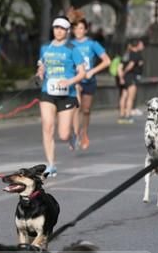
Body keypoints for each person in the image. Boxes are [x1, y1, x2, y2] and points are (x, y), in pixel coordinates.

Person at [37, 16, 86, 178]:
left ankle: (72, 136)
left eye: (61, 28)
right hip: (48, 92)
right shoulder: (46, 48)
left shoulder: (73, 49)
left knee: (63, 134)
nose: (58, 31)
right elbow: (41, 66)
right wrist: (40, 72)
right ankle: (51, 164)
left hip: (67, 94)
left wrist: (69, 81)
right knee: (47, 127)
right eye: (55, 28)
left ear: (67, 31)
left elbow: (82, 73)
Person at [70, 18, 111, 149]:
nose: (78, 31)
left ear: (86, 30)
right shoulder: (69, 44)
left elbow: (107, 61)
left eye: (81, 28)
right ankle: (75, 135)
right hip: (76, 80)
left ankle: (84, 133)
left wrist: (92, 71)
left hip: (89, 80)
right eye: (75, 28)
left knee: (86, 110)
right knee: (76, 107)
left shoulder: (92, 44)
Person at [118, 38, 145, 124]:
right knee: (130, 97)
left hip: (125, 77)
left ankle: (122, 114)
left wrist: (121, 77)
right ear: (137, 45)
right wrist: (125, 72)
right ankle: (128, 115)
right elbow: (131, 64)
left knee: (123, 96)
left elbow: (119, 67)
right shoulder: (136, 54)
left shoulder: (126, 54)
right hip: (132, 77)